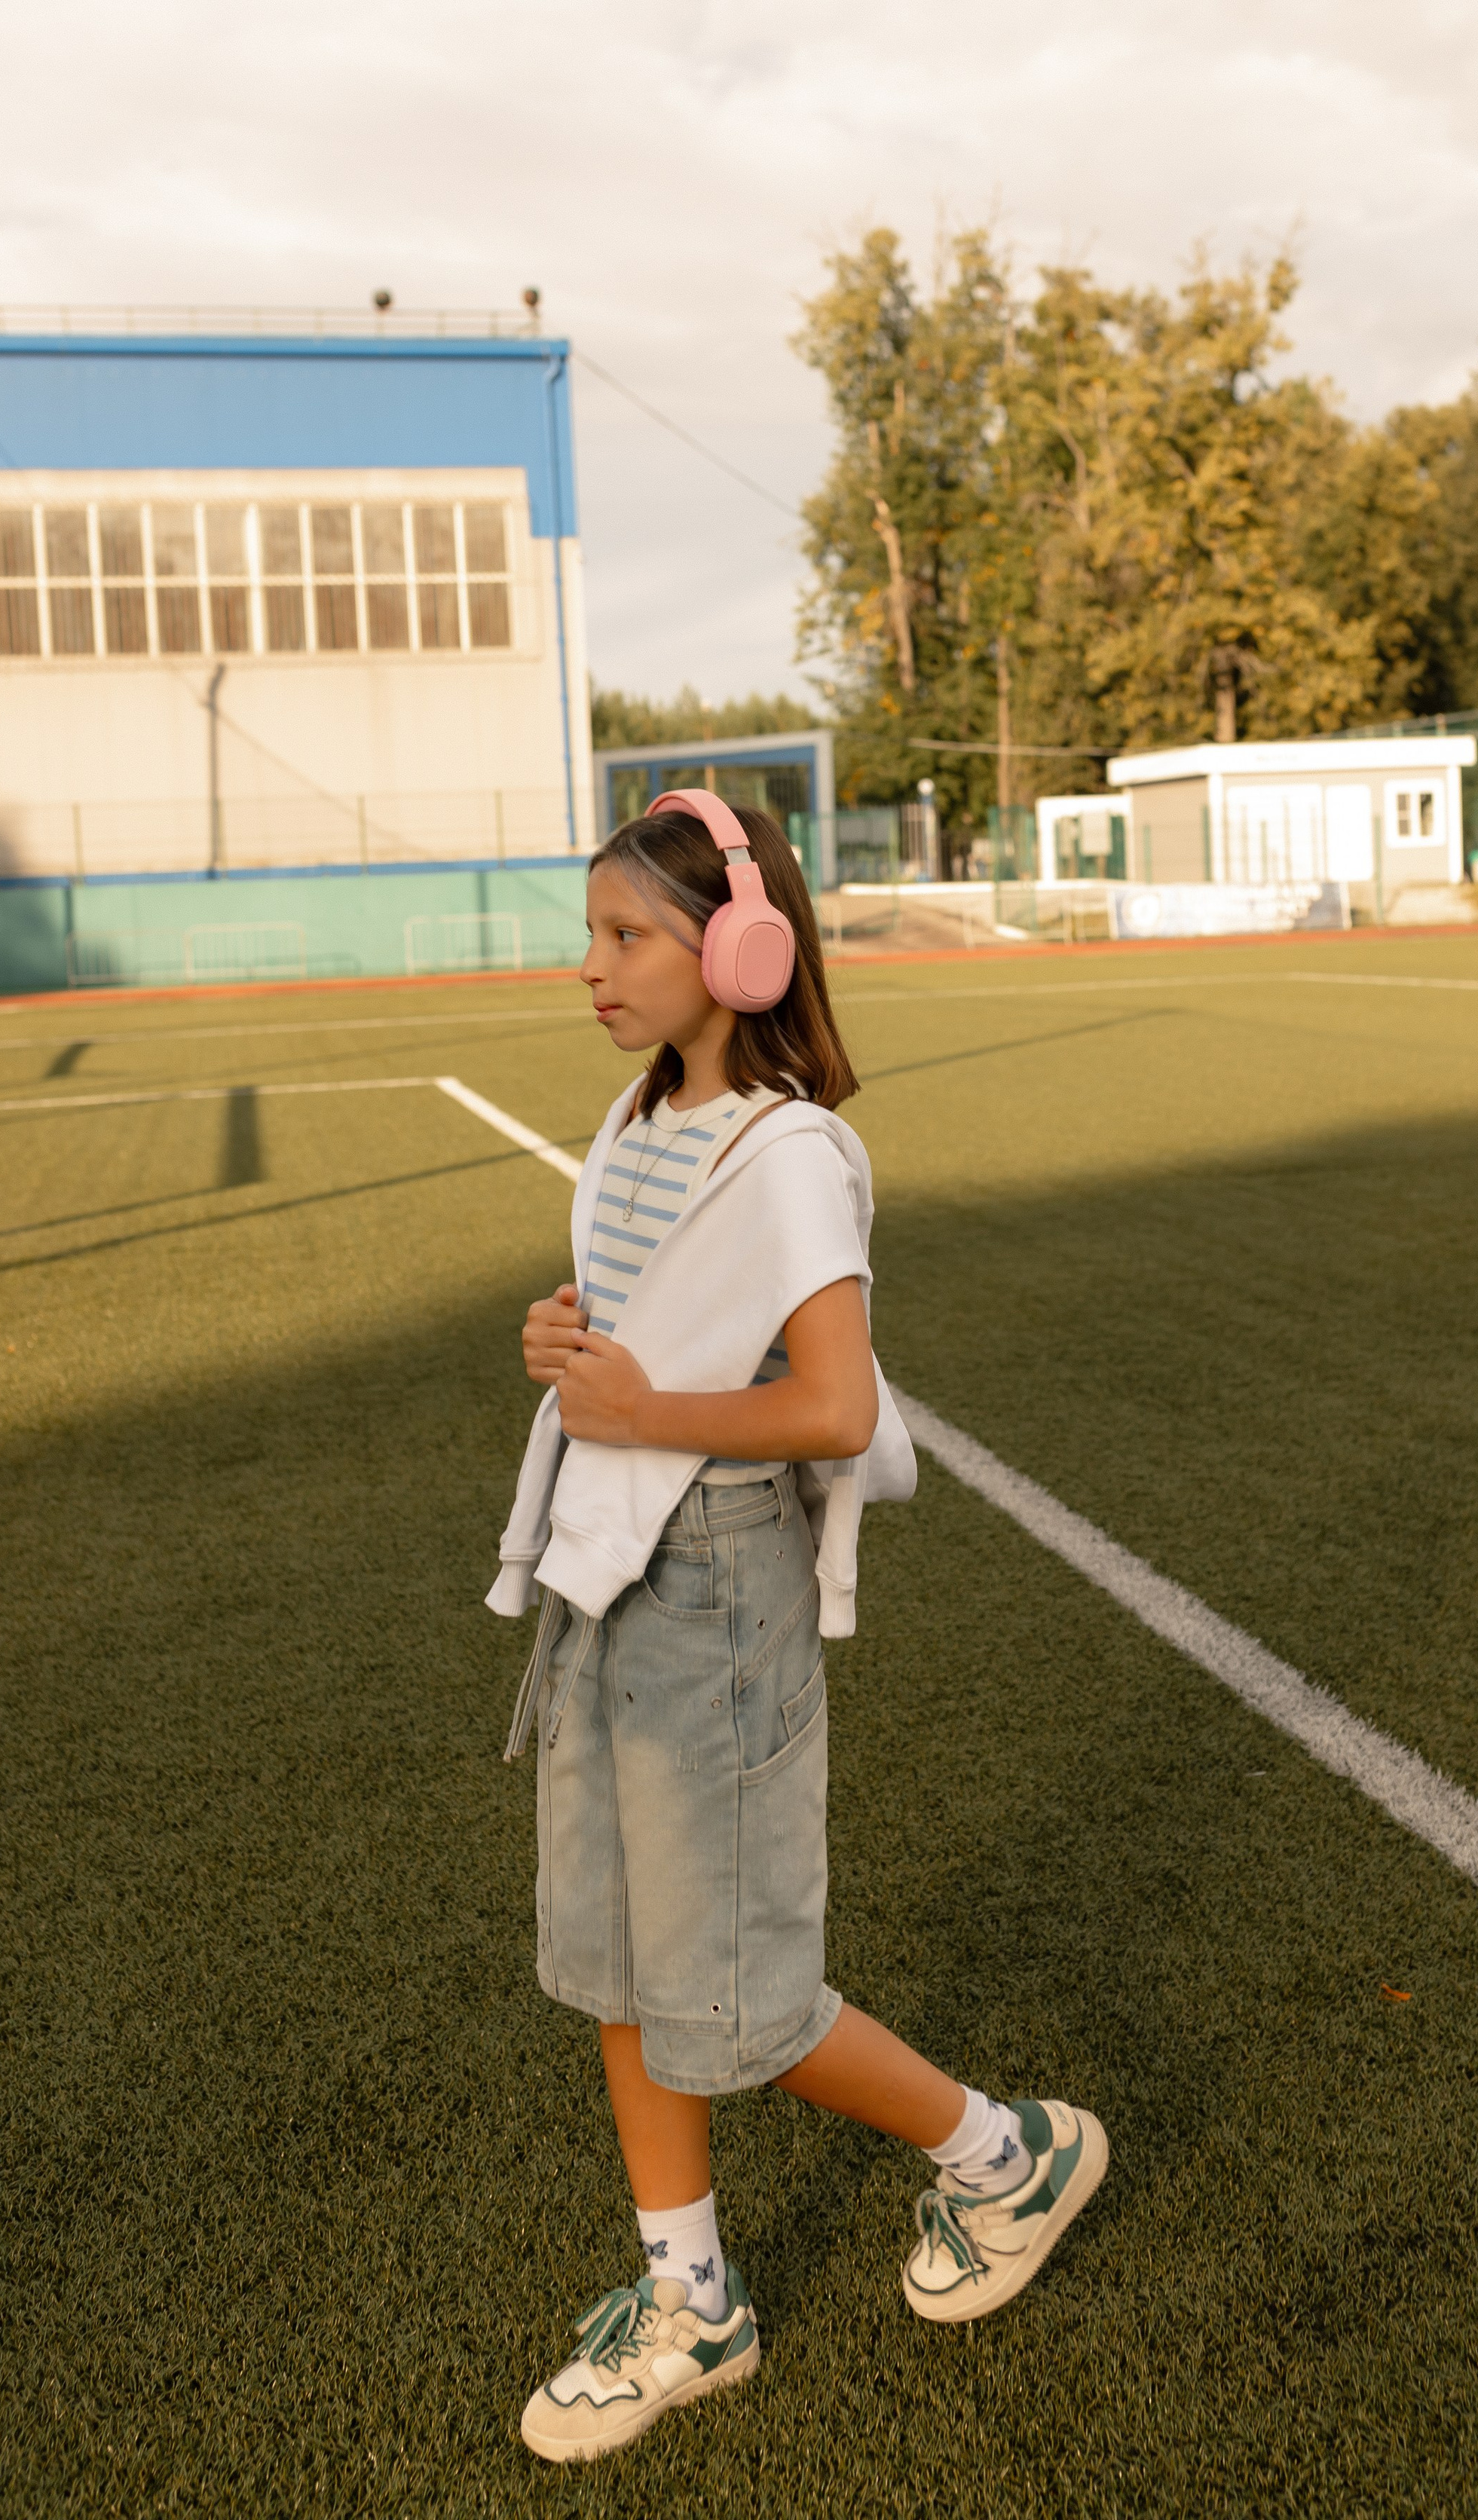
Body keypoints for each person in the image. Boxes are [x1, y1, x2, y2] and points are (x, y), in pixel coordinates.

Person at [488, 793, 1106, 2466]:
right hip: (613, 1573)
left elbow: (834, 1407)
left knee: (738, 1995)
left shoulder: (787, 1156)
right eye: (593, 934)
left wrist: (642, 1409)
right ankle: (692, 2300)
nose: (593, 967)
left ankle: (1006, 2156)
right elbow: (656, 1337)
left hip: (712, 1585)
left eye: (627, 935)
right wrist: (574, 1345)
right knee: (619, 1961)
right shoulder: (638, 1117)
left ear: (744, 949)